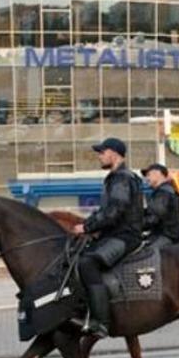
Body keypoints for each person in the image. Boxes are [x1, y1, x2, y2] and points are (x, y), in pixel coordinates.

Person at [71, 138, 144, 338]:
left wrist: (87, 226)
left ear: (114, 154)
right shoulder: (115, 177)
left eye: (102, 152)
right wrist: (87, 224)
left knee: (88, 264)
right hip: (114, 234)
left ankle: (101, 322)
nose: (99, 156)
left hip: (124, 236)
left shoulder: (121, 178)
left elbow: (115, 211)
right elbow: (104, 211)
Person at [141, 163, 179, 248]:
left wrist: (134, 227)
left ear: (158, 174)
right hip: (169, 236)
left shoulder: (163, 192)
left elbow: (153, 217)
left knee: (145, 256)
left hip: (165, 236)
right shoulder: (167, 190)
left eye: (149, 175)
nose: (146, 178)